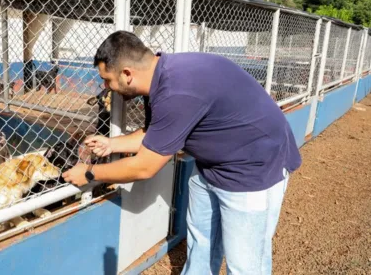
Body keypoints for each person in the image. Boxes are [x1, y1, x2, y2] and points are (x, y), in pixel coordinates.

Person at [62, 30, 302, 274]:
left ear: (127, 74)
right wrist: (114, 144)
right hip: (212, 165)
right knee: (201, 243)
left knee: (245, 263)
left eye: (107, 80)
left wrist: (91, 173)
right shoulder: (160, 75)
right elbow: (158, 133)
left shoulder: (177, 91)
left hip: (254, 168)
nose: (105, 87)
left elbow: (145, 167)